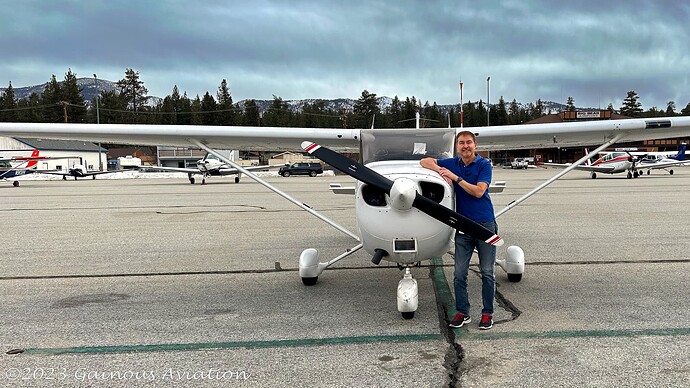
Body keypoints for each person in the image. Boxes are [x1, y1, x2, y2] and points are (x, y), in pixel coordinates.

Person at [420, 130, 497, 330]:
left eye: (469, 143)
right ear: (457, 147)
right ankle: (462, 312)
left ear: (475, 145)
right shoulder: (452, 162)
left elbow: (479, 192)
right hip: (462, 225)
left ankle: (488, 313)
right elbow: (425, 162)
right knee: (459, 273)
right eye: (461, 143)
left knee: (487, 272)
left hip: (484, 225)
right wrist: (439, 171)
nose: (465, 146)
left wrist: (455, 178)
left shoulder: (484, 165)